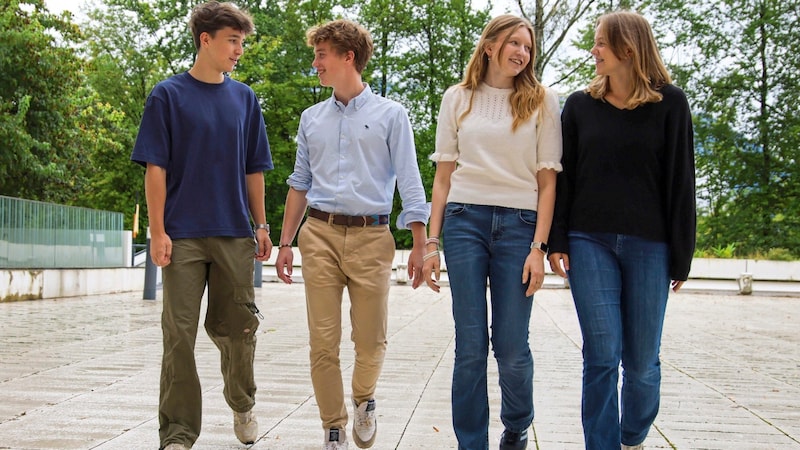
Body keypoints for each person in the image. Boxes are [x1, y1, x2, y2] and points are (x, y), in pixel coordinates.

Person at [273, 19, 429, 450]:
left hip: (372, 237)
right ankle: (334, 426)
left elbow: (411, 182)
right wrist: (286, 244)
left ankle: (364, 400)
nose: (315, 63)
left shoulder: (392, 115)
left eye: (322, 54)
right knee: (323, 341)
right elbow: (299, 183)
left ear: (348, 56)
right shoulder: (312, 118)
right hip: (319, 234)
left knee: (371, 340)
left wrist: (421, 243)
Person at [546, 10, 696, 450]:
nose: (594, 51)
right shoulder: (578, 106)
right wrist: (557, 239)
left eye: (601, 44)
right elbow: (564, 177)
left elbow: (680, 182)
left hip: (651, 245)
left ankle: (632, 438)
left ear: (628, 49)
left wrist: (682, 254)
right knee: (602, 355)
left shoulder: (670, 104)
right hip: (588, 241)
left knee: (642, 362)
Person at [129, 2, 273, 449]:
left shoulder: (244, 99)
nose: (238, 51)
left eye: (242, 42)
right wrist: (158, 230)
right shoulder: (167, 96)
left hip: (234, 234)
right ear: (204, 39)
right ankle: (177, 433)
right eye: (232, 40)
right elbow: (156, 168)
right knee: (178, 335)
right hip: (183, 235)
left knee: (239, 329)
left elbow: (254, 169)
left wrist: (263, 225)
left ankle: (242, 401)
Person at [422, 15, 562, 450]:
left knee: (512, 347)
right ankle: (471, 443)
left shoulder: (542, 100)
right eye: (514, 43)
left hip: (520, 227)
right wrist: (431, 242)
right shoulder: (457, 98)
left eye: (528, 47)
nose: (522, 52)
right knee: (469, 346)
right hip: (465, 222)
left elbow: (548, 182)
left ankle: (517, 425)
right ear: (489, 46)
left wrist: (539, 246)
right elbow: (443, 179)